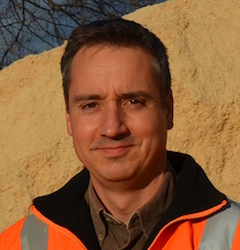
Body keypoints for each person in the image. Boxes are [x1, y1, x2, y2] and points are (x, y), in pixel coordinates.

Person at [0, 18, 240, 250]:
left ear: (168, 110)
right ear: (69, 119)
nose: (112, 128)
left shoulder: (233, 235)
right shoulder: (19, 244)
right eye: (91, 105)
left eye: (133, 101)